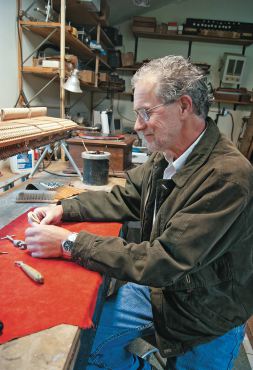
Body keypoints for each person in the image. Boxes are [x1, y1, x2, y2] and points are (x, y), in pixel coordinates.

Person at [25, 55, 253, 370]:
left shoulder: (228, 176)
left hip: (206, 312)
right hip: (163, 290)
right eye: (137, 113)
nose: (138, 125)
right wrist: (63, 208)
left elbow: (163, 260)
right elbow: (126, 197)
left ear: (184, 106)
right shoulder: (166, 157)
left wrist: (69, 244)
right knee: (91, 348)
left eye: (146, 112)